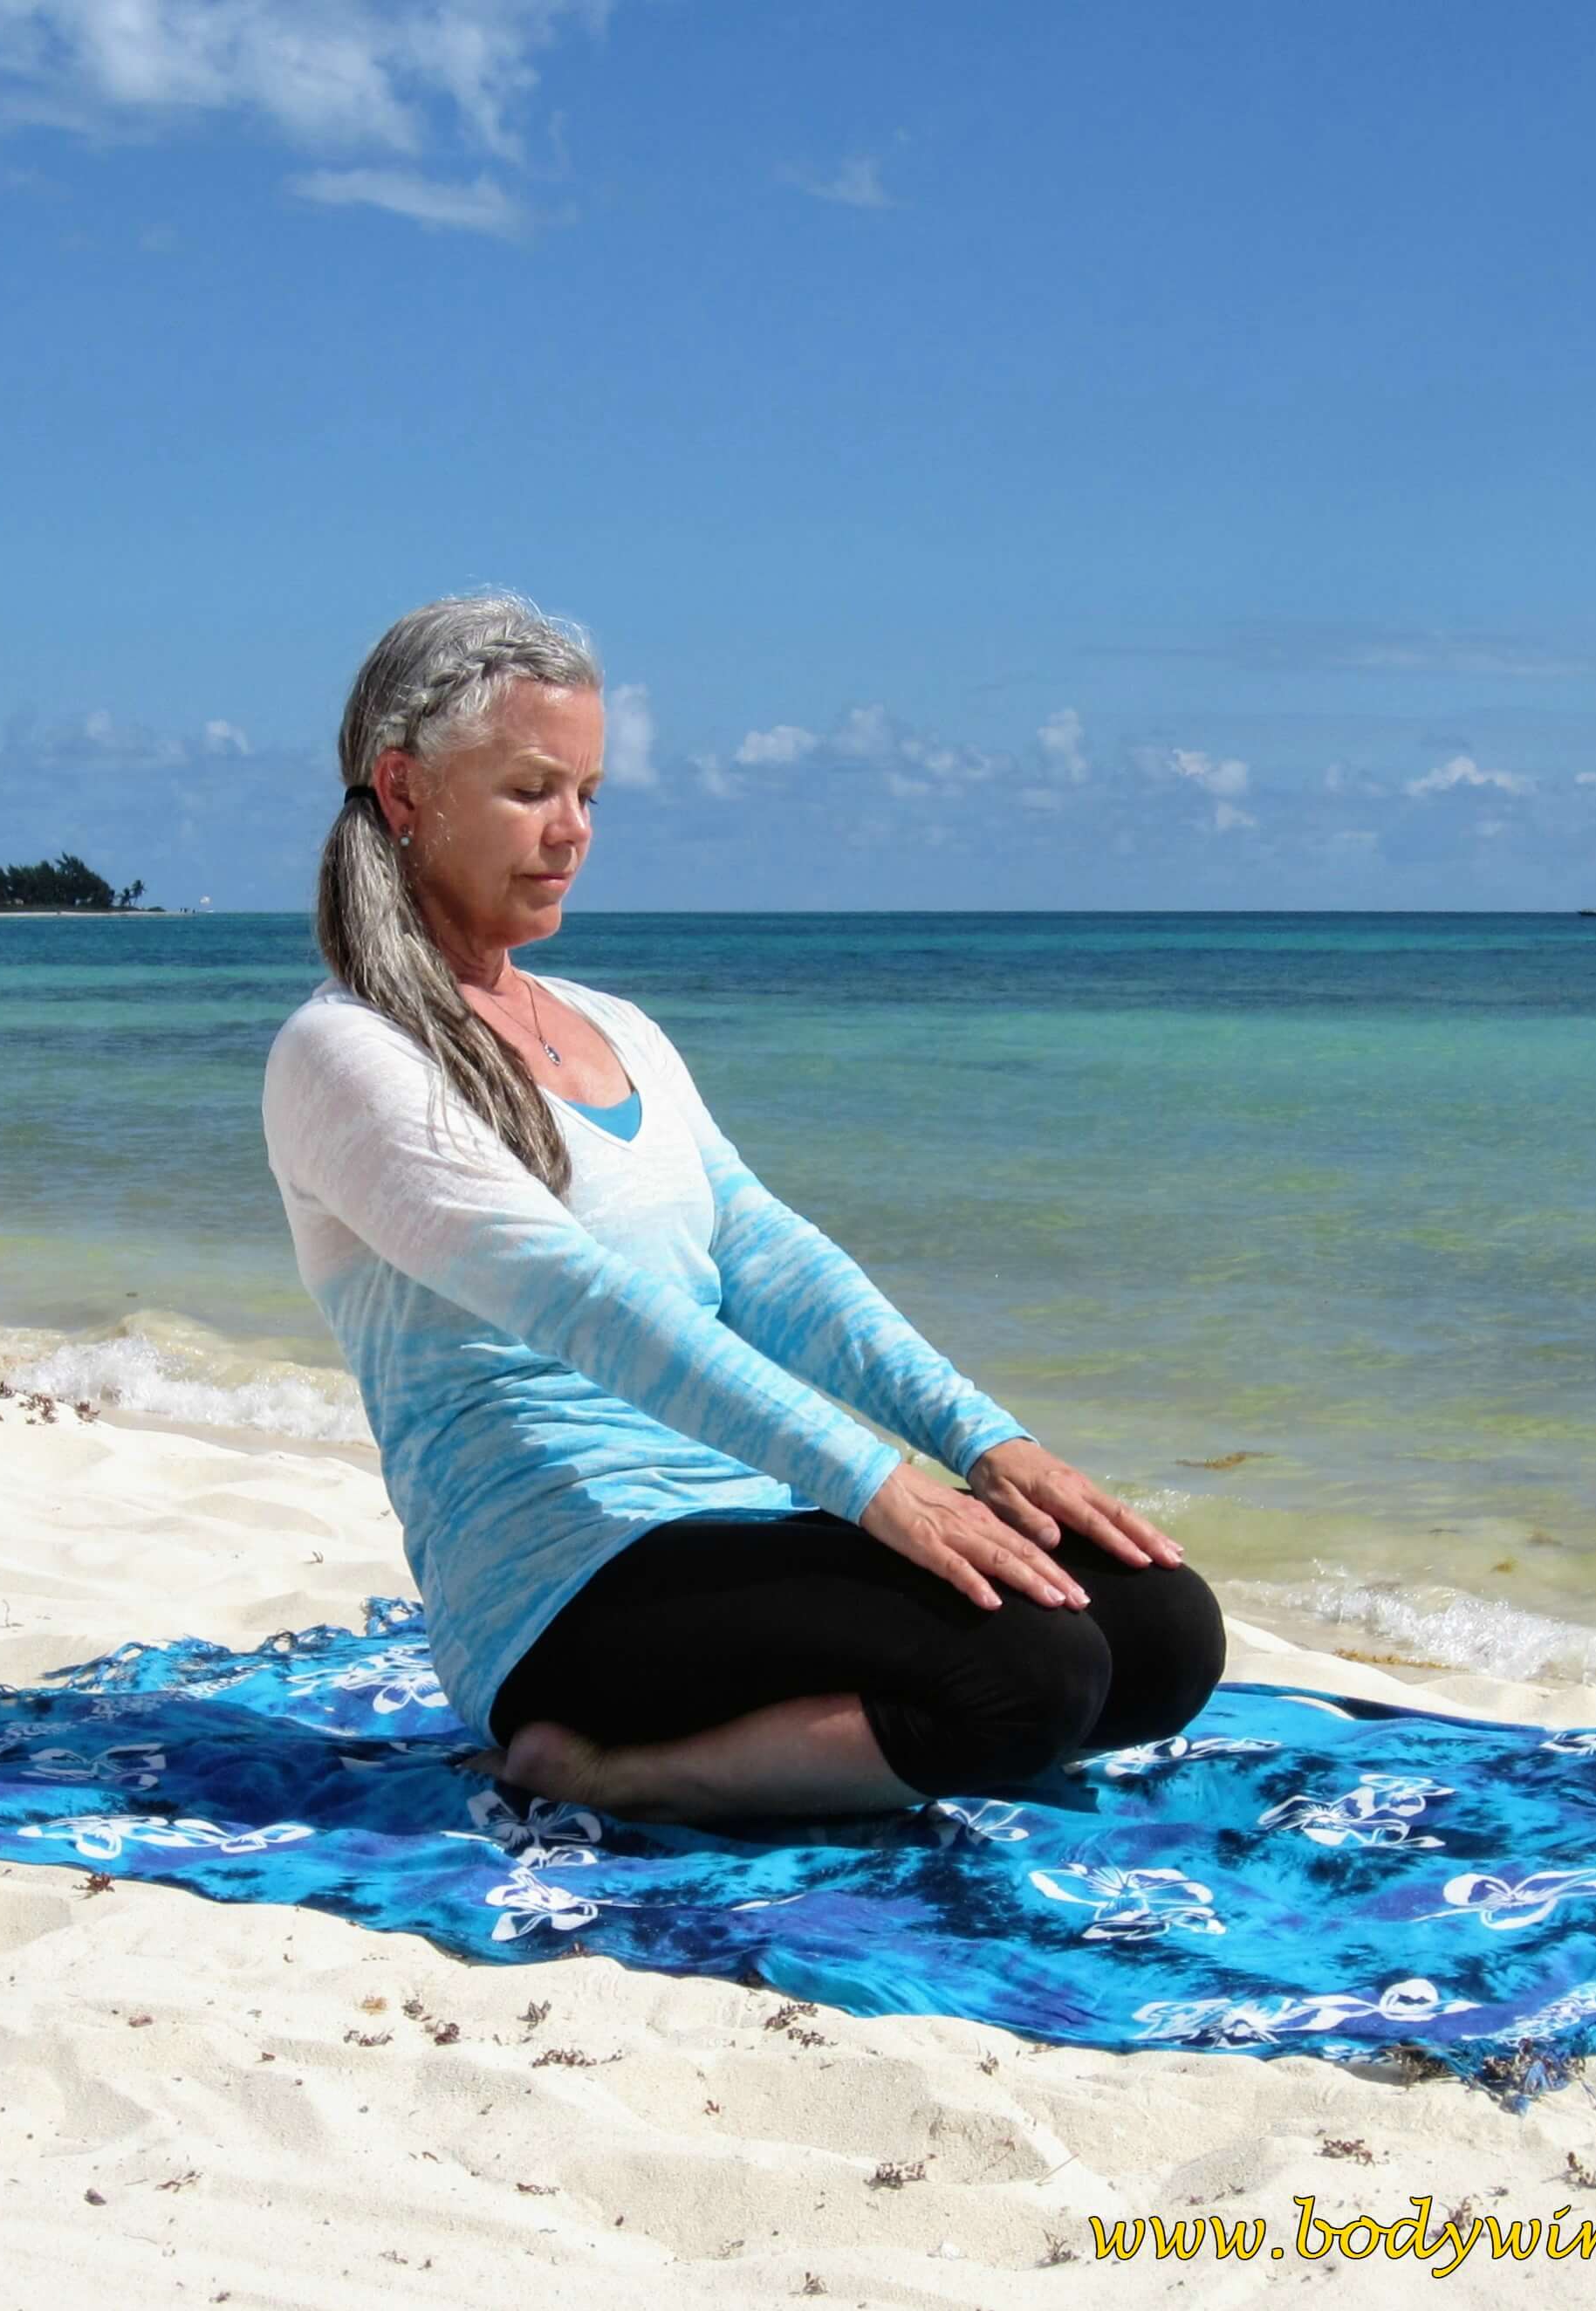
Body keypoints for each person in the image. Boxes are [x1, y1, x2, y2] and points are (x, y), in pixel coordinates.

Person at [262, 594, 1224, 1822]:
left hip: (737, 1523)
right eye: (530, 790)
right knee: (1033, 1673)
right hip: (560, 1586)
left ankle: (816, 1702)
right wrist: (873, 1482)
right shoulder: (345, 1053)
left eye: (591, 795)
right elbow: (582, 1303)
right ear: (404, 792)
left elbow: (770, 1257)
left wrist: (987, 1445)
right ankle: (606, 1770)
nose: (571, 834)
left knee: (1162, 1627)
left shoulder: (617, 1027)